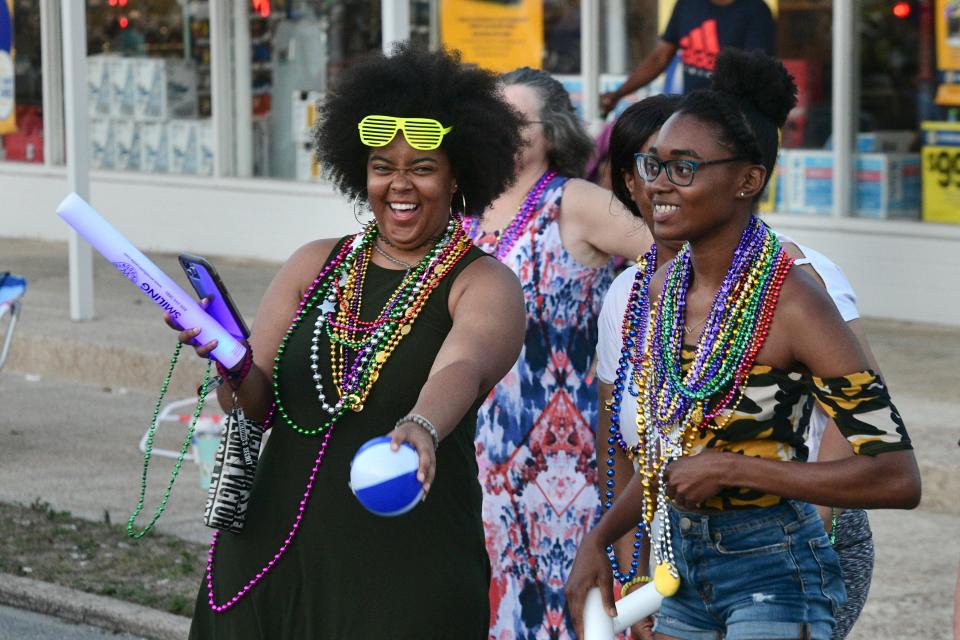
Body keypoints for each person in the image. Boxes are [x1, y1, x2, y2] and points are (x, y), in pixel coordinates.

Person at [172, 44, 527, 639]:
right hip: (267, 553)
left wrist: (420, 426)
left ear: (458, 173)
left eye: (422, 167)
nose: (399, 184)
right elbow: (250, 404)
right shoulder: (316, 263)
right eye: (383, 167)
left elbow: (462, 367)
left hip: (401, 567)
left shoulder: (483, 281)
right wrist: (226, 359)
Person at [566, 48, 920, 640]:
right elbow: (661, 454)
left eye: (684, 168)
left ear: (747, 180)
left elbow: (894, 475)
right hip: (683, 570)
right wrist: (599, 541)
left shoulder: (795, 301)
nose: (656, 185)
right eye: (653, 164)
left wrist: (739, 469)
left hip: (777, 572)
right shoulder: (658, 289)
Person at [470, 66, 653, 639]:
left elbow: (682, 258)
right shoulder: (462, 206)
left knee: (572, 602)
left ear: (552, 132)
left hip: (567, 458)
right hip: (476, 445)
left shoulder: (575, 202)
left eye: (515, 119)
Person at [600, 0, 775, 116]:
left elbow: (756, 72)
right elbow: (660, 57)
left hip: (732, 122)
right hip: (690, 115)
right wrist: (618, 94)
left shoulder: (756, 12)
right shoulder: (687, 4)